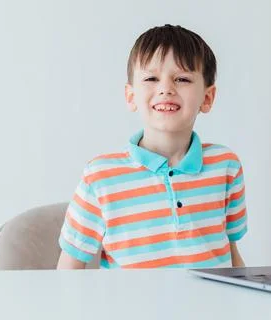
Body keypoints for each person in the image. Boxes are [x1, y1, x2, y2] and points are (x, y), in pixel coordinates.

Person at [57, 24, 248, 269]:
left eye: (182, 79)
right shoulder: (100, 176)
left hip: (212, 307)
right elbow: (69, 269)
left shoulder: (226, 166)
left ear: (207, 98)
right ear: (131, 96)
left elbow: (232, 253)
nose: (166, 88)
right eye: (151, 78)